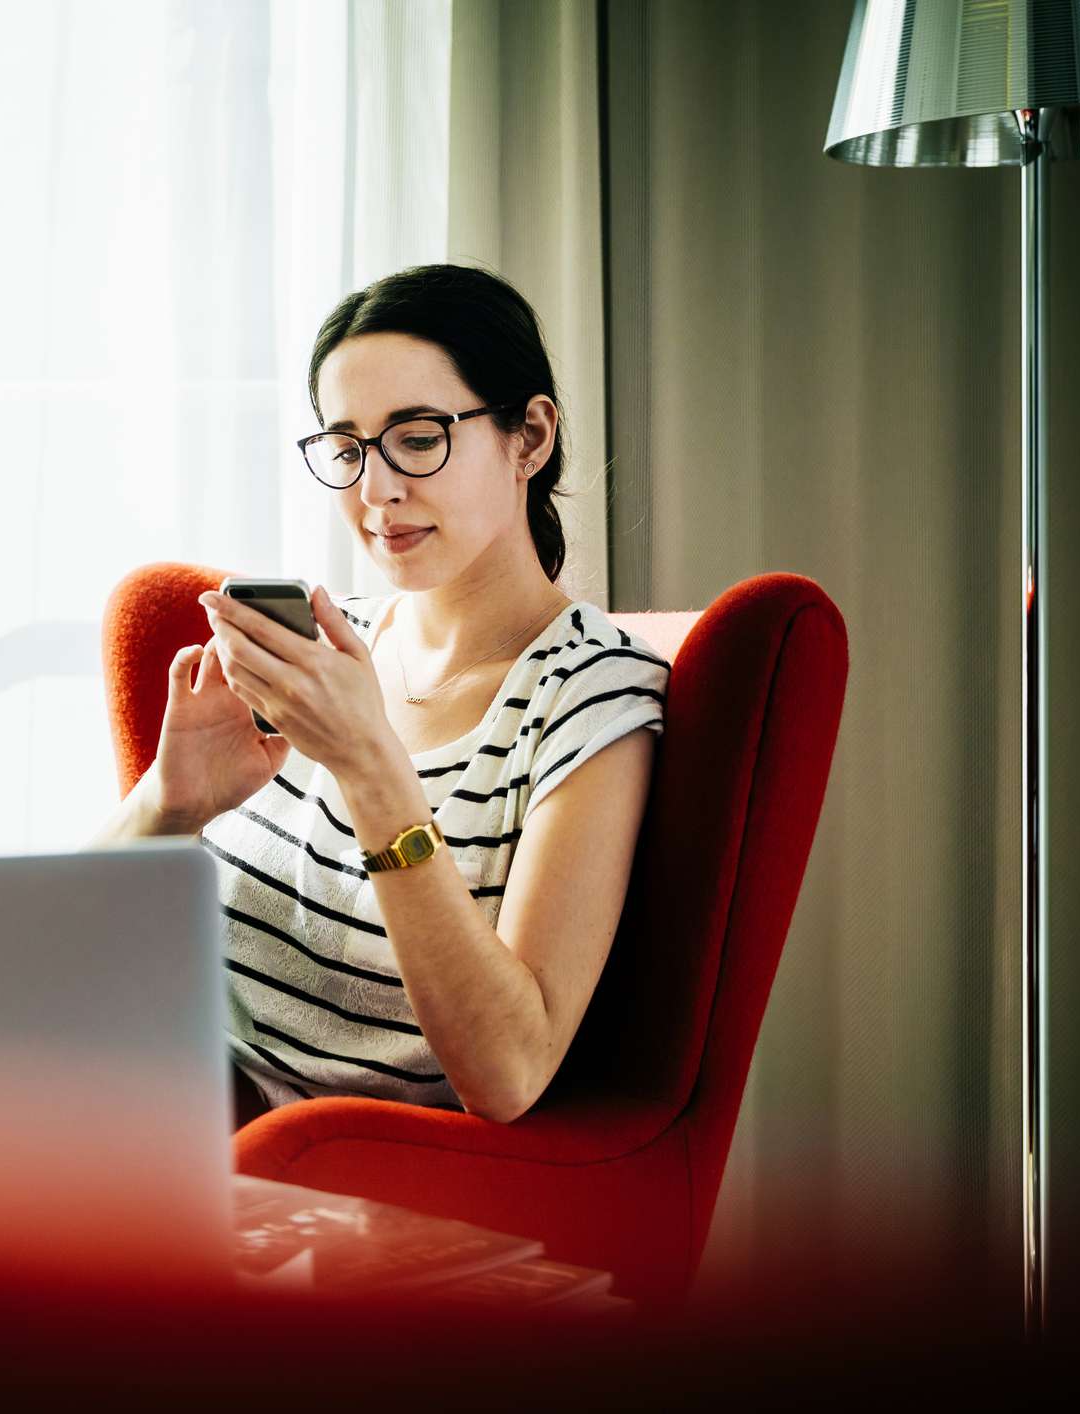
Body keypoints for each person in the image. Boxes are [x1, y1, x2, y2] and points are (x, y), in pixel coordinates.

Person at [89, 263, 668, 1133]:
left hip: (310, 1175)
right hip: (136, 1091)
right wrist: (168, 807)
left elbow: (508, 1072)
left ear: (530, 437)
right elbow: (57, 946)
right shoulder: (322, 646)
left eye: (419, 436)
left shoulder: (587, 696)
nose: (375, 492)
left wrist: (368, 765)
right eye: (349, 447)